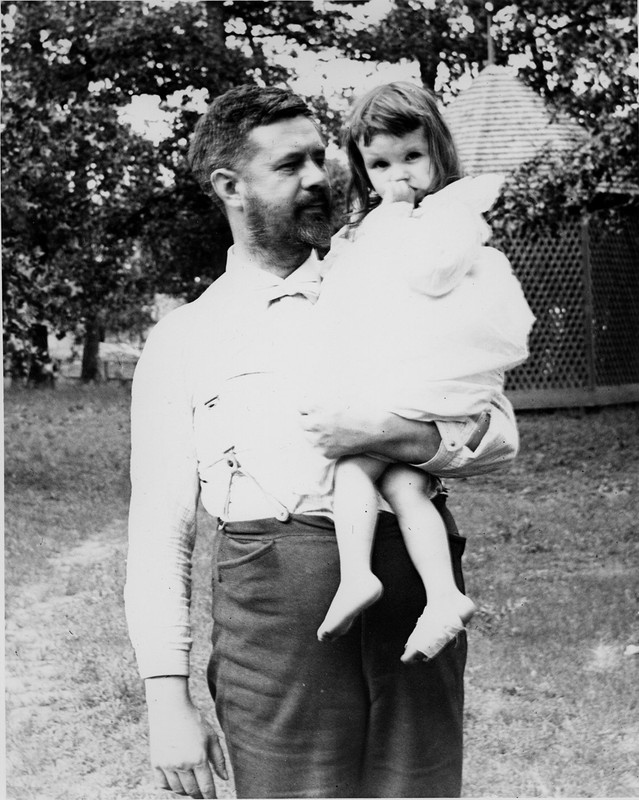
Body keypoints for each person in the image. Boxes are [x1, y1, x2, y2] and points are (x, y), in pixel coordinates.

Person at [125, 83, 521, 799]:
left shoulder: (386, 276)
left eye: (320, 157)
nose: (318, 178)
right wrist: (164, 693)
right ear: (229, 186)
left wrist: (393, 435)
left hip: (410, 596)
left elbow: (497, 434)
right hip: (276, 624)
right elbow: (160, 528)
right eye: (288, 166)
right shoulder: (184, 338)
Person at [309, 82, 535, 662]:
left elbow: (434, 275)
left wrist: (394, 222)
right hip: (405, 372)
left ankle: (357, 574)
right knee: (406, 485)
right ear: (362, 169)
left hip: (436, 375)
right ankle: (443, 596)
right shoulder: (375, 225)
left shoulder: (449, 214)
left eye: (411, 157)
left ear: (438, 151)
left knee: (356, 465)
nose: (397, 176)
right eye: (380, 165)